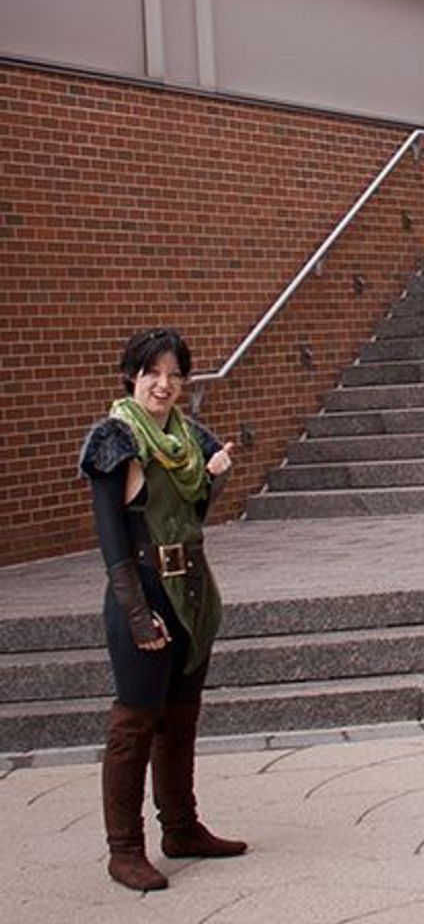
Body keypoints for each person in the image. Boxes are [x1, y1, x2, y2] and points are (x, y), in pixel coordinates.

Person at [79, 328, 247, 891]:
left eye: (175, 375)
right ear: (132, 375)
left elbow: (192, 512)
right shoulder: (114, 439)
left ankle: (182, 828)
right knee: (135, 722)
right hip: (145, 591)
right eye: (153, 373)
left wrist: (216, 479)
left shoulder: (189, 439)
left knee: (181, 718)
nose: (164, 384)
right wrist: (134, 611)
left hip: (195, 592)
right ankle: (124, 849)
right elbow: (111, 541)